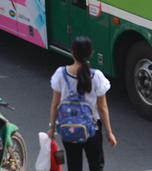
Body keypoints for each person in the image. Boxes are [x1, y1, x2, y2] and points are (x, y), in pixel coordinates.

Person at [47, 36, 116, 171]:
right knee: (96, 165)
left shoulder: (61, 74)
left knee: (74, 166)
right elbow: (102, 108)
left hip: (68, 127)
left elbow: (55, 104)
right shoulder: (97, 76)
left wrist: (52, 128)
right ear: (91, 53)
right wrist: (109, 132)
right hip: (92, 129)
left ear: (72, 52)